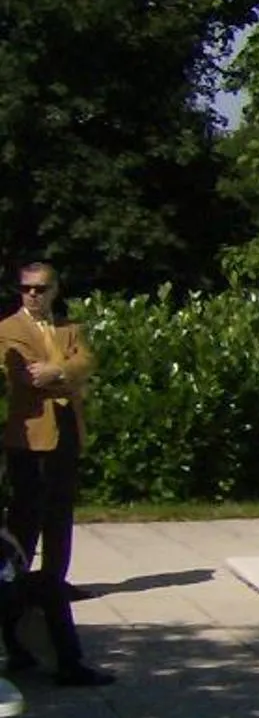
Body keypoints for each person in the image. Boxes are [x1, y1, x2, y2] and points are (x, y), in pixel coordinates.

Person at [0, 258, 110, 685]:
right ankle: (22, 598)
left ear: (54, 290)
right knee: (25, 523)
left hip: (65, 432)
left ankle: (55, 584)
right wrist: (67, 375)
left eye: (41, 288)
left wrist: (61, 371)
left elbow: (87, 362)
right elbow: (28, 377)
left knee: (60, 515)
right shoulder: (10, 329)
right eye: (26, 288)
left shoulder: (69, 328)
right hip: (28, 440)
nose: (33, 294)